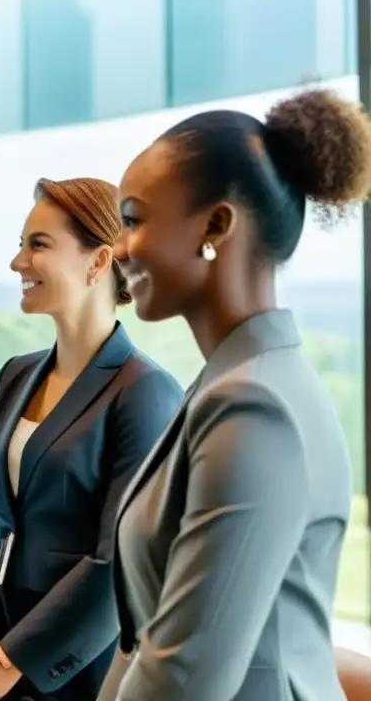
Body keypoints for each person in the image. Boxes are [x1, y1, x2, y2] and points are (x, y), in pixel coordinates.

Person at [98, 88, 368, 700]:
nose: (118, 250)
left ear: (216, 225)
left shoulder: (254, 408)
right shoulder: (231, 384)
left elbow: (184, 679)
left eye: (134, 219)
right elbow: (145, 637)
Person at [0, 177, 182, 701]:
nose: (17, 262)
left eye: (38, 244)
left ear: (98, 262)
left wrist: (16, 662)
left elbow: (119, 562)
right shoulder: (14, 376)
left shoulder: (146, 391)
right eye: (20, 243)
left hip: (75, 670)